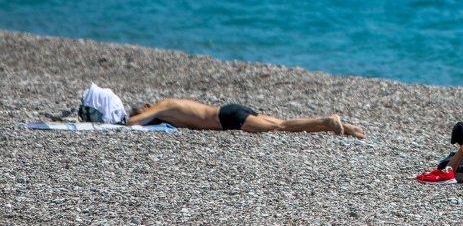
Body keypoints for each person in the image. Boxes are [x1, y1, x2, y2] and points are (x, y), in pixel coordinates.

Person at [125, 98, 365, 137]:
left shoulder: (162, 105)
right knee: (280, 122)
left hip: (227, 118)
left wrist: (135, 117)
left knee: (280, 127)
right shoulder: (168, 110)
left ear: (146, 107)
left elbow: (132, 123)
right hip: (229, 111)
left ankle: (327, 121)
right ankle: (346, 128)